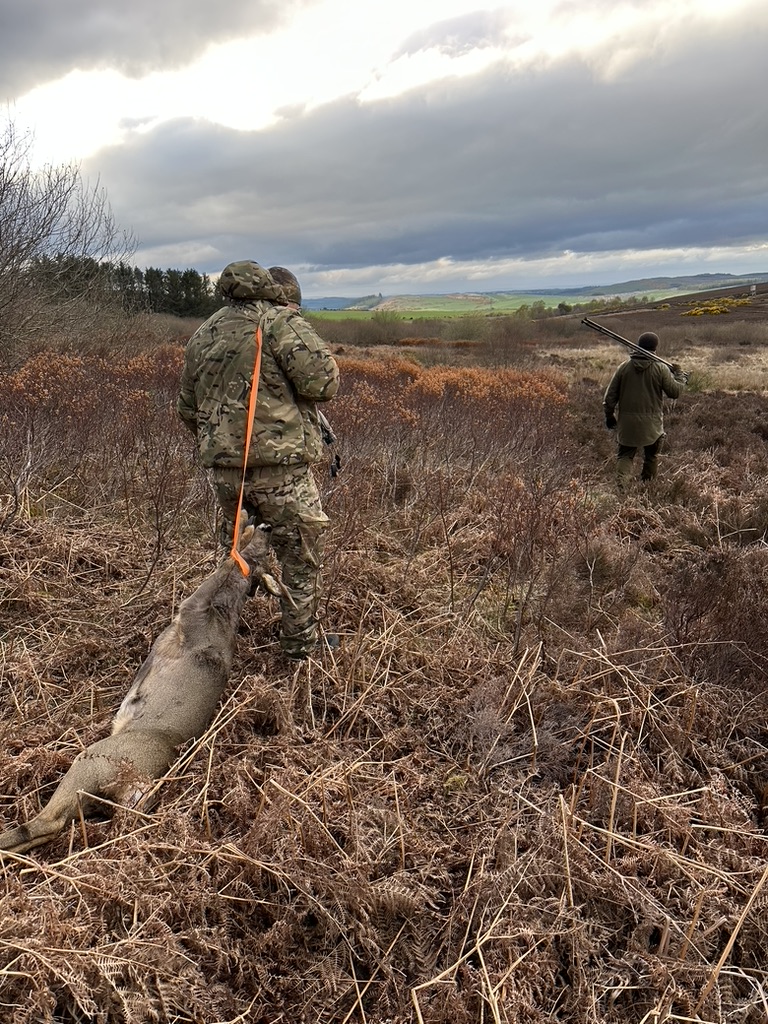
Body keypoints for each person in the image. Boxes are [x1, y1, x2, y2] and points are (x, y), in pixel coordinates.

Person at [177, 260, 340, 660]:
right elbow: (325, 382)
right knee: (299, 556)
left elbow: (186, 407)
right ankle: (300, 648)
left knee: (240, 554)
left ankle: (216, 640)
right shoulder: (278, 322)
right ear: (273, 292)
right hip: (282, 472)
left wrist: (224, 445)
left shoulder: (205, 333)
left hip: (225, 475)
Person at [602, 331, 686, 493]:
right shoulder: (661, 369)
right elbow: (675, 392)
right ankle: (648, 490)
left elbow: (610, 397)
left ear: (638, 345)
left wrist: (609, 416)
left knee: (625, 456)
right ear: (655, 347)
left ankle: (621, 490)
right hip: (653, 425)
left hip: (627, 424)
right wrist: (680, 375)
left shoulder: (624, 368)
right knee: (651, 456)